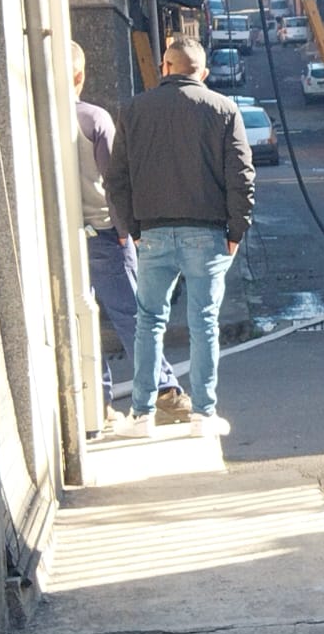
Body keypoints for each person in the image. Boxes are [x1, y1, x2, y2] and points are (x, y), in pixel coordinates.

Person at [105, 36, 255, 439]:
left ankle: (142, 415)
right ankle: (203, 415)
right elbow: (241, 176)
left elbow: (116, 179)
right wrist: (236, 229)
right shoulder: (224, 109)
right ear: (202, 73)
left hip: (152, 232)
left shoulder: (133, 110)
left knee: (148, 322)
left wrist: (133, 228)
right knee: (204, 322)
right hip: (208, 232)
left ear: (165, 67)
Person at [69, 41, 191, 429]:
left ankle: (97, 402)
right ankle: (165, 392)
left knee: (77, 319)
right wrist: (128, 232)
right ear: (79, 75)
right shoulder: (94, 119)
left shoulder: (37, 120)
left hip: (61, 236)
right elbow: (116, 181)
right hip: (105, 232)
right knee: (134, 317)